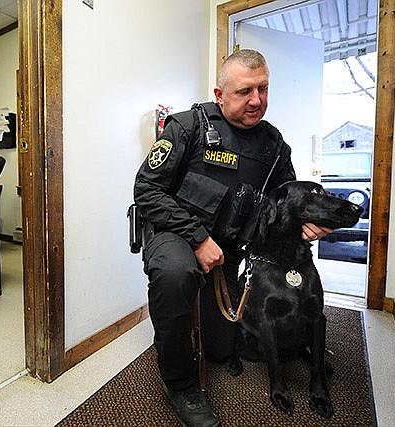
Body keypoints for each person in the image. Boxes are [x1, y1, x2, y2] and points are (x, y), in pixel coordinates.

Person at [133, 49, 332, 427]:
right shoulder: (187, 127)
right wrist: (196, 239)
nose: (257, 100)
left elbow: (287, 202)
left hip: (227, 249)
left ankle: (202, 332)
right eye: (244, 91)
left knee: (221, 350)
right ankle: (181, 386)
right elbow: (146, 190)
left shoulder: (273, 146)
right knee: (175, 275)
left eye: (263, 89)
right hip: (175, 233)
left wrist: (312, 222)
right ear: (220, 94)